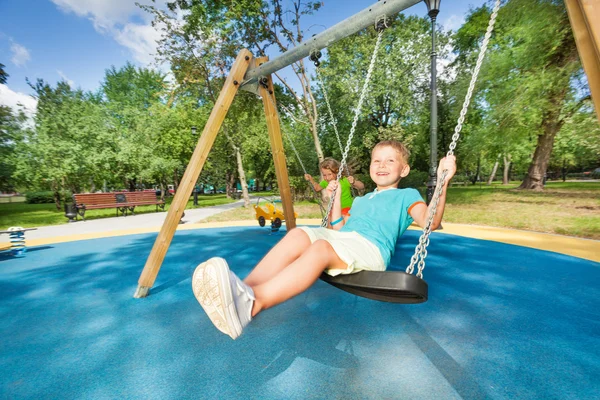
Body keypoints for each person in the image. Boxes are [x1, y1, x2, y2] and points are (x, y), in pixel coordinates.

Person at [191, 140, 456, 340]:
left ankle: (253, 305)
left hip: (371, 250)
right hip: (348, 241)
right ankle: (242, 291)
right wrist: (335, 199)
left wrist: (442, 181)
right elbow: (337, 229)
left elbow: (430, 221)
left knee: (320, 248)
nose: (382, 166)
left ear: (405, 169)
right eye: (377, 161)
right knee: (298, 234)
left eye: (390, 161)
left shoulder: (406, 195)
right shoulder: (363, 201)